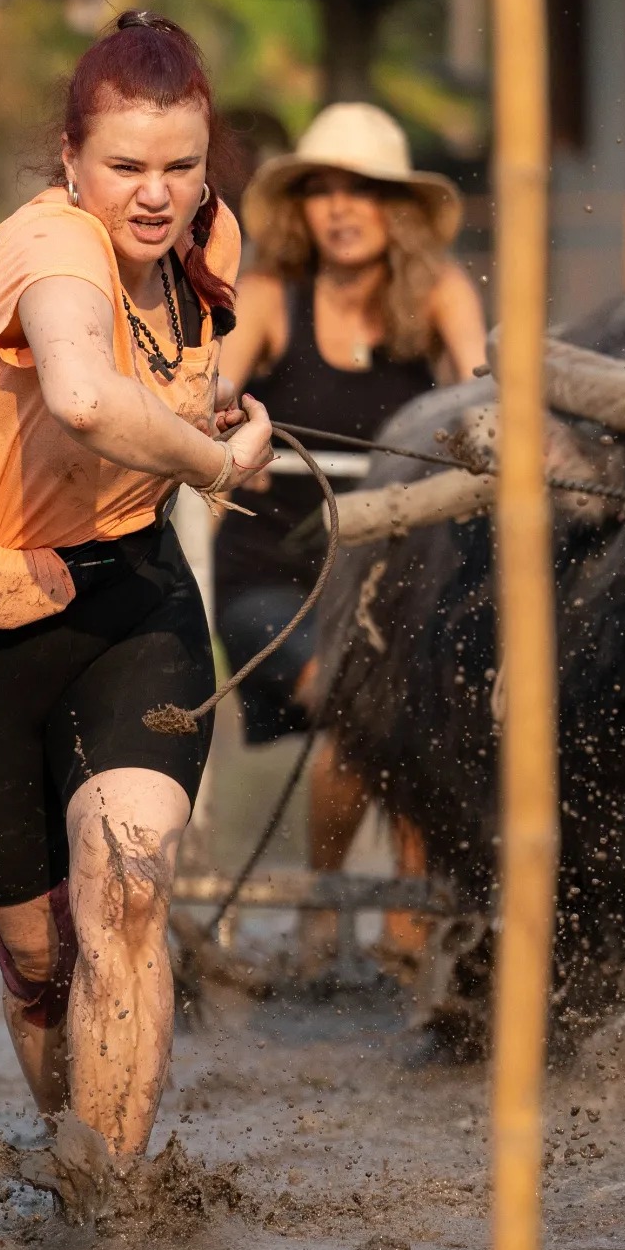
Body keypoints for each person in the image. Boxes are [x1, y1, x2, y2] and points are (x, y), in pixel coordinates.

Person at [0, 12, 272, 1159]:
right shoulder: (47, 250)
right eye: (127, 168)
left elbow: (164, 387)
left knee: (131, 895)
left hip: (128, 609)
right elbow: (89, 394)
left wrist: (214, 416)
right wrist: (211, 469)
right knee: (45, 963)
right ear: (71, 163)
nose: (157, 196)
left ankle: (117, 1212)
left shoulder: (211, 248)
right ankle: (73, 1170)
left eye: (181, 168)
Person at [213, 103, 487, 973]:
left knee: (419, 708)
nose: (340, 208)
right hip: (272, 571)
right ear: (300, 208)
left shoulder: (441, 293)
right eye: (322, 190)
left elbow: (485, 402)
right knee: (354, 701)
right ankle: (326, 913)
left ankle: (409, 917)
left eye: (362, 191)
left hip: (399, 573)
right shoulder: (266, 298)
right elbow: (208, 394)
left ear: (396, 208)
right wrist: (225, 440)